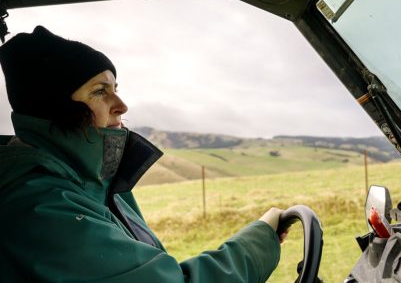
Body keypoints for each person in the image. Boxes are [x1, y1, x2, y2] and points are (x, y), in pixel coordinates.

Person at [0, 26, 288, 282]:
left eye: (116, 89)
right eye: (100, 92)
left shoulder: (91, 184)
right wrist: (259, 239)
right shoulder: (40, 207)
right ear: (54, 108)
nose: (121, 105)